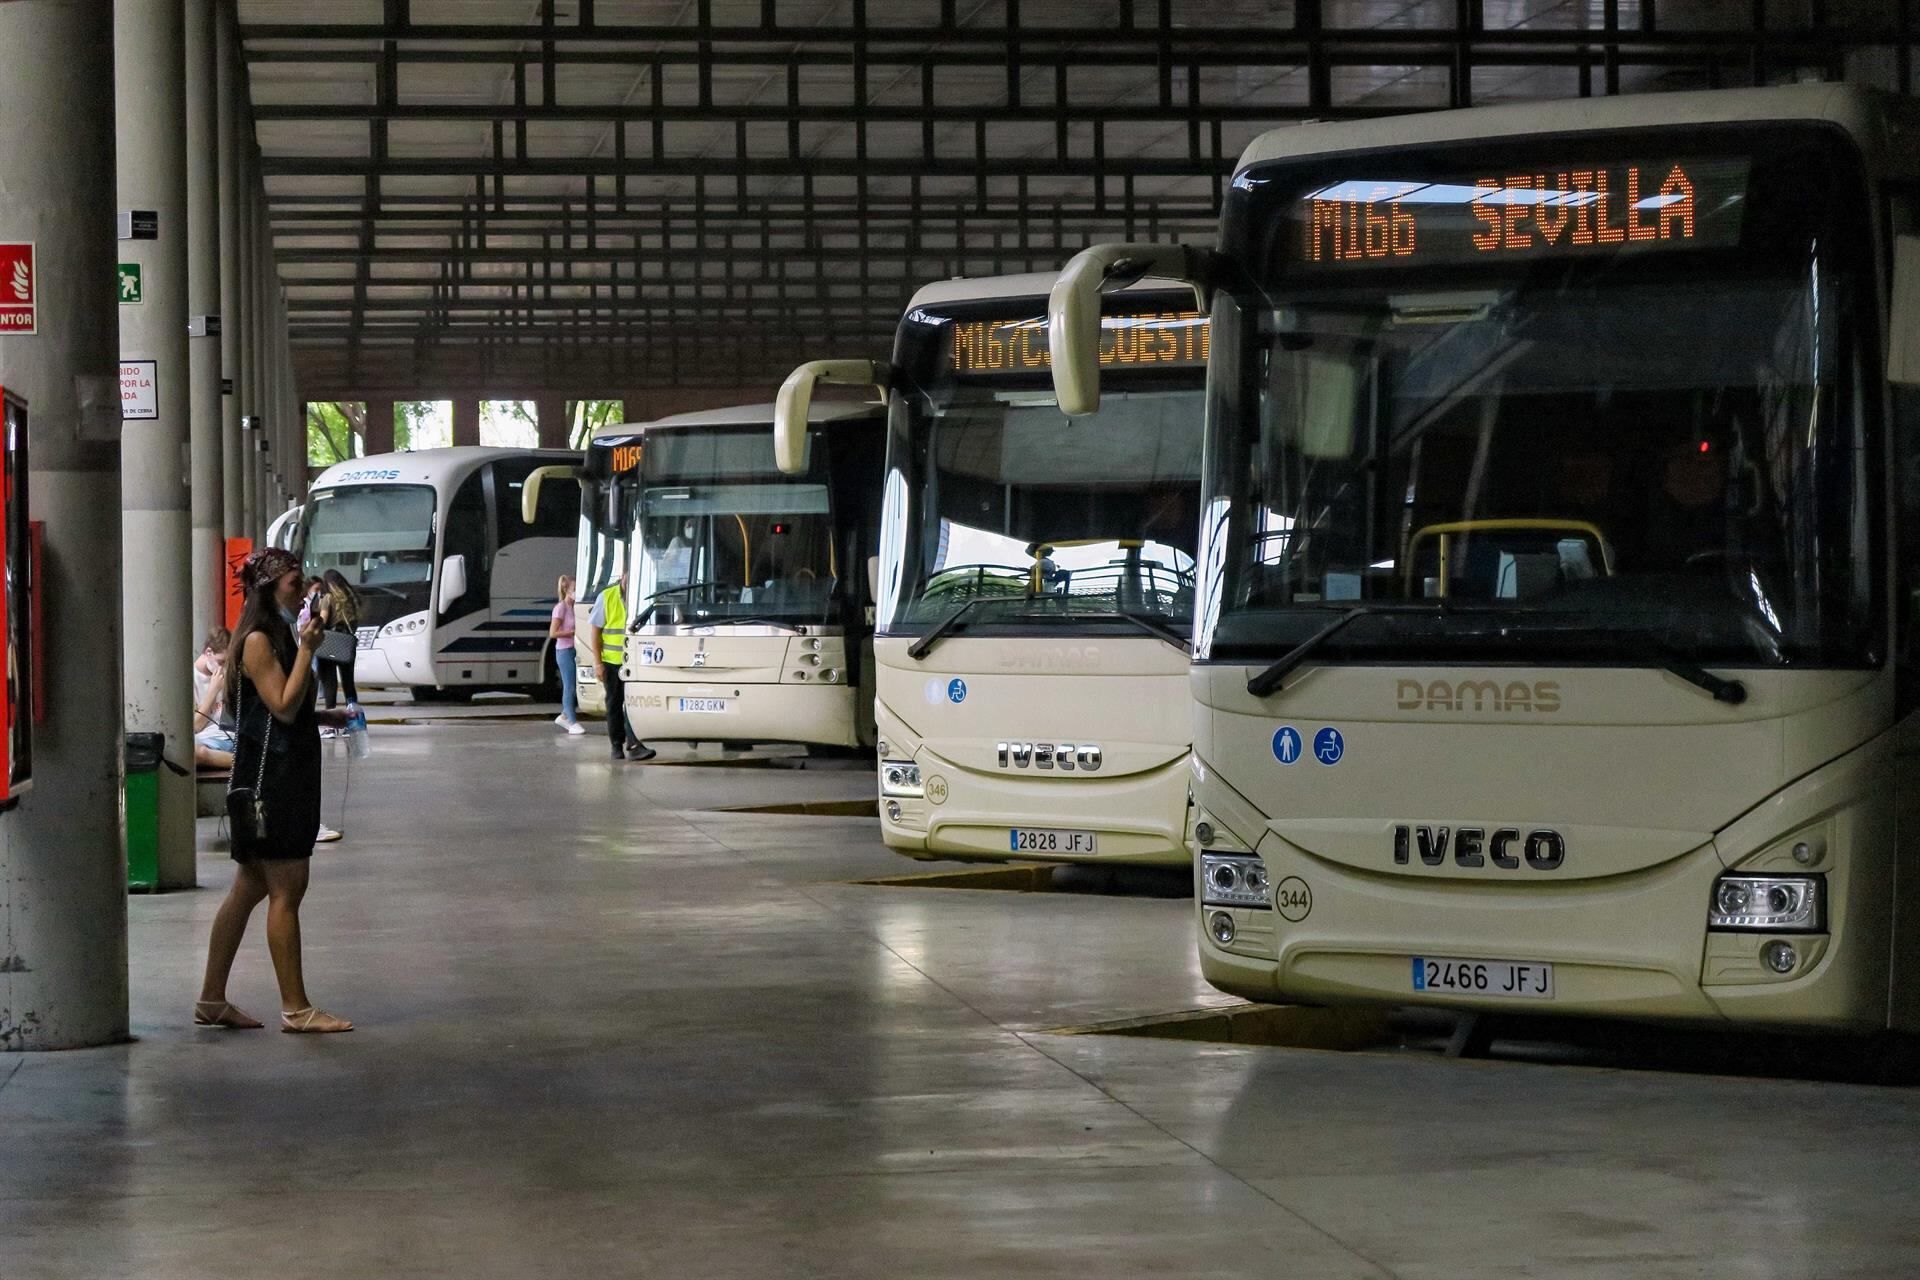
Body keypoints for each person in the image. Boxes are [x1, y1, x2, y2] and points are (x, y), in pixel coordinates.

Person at [194, 547, 354, 1034]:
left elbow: (285, 703)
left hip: (280, 773)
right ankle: (296, 1008)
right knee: (288, 887)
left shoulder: (279, 633)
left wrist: (323, 712)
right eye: (292, 582)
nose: (302, 589)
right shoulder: (260, 640)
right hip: (273, 783)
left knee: (249, 888)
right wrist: (309, 647)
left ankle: (212, 999)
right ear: (268, 589)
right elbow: (283, 707)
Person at [585, 569, 655, 763]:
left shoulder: (642, 597)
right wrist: (598, 663)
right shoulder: (606, 596)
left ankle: (633, 744)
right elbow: (595, 632)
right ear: (623, 576)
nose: (630, 582)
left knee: (633, 704)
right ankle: (617, 745)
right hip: (612, 662)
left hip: (635, 661)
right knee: (614, 705)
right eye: (628, 577)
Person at [316, 569, 361, 713]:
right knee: (348, 683)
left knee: (329, 682)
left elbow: (322, 620)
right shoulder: (351, 599)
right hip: (346, 642)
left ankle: (331, 718)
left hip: (329, 643)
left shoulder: (327, 598)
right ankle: (353, 716)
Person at [193, 627, 236, 770]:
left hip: (230, 735)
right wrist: (213, 690)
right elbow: (195, 726)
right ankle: (244, 763)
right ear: (208, 653)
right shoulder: (190, 679)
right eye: (221, 662)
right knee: (195, 752)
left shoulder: (229, 673)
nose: (225, 667)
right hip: (206, 741)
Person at [550, 574, 585, 736]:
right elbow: (553, 633)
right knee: (569, 685)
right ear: (566, 590)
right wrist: (573, 632)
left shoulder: (575, 608)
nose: (577, 592)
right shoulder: (560, 608)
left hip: (574, 649)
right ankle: (571, 721)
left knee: (575, 685)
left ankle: (564, 715)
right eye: (575, 589)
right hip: (564, 651)